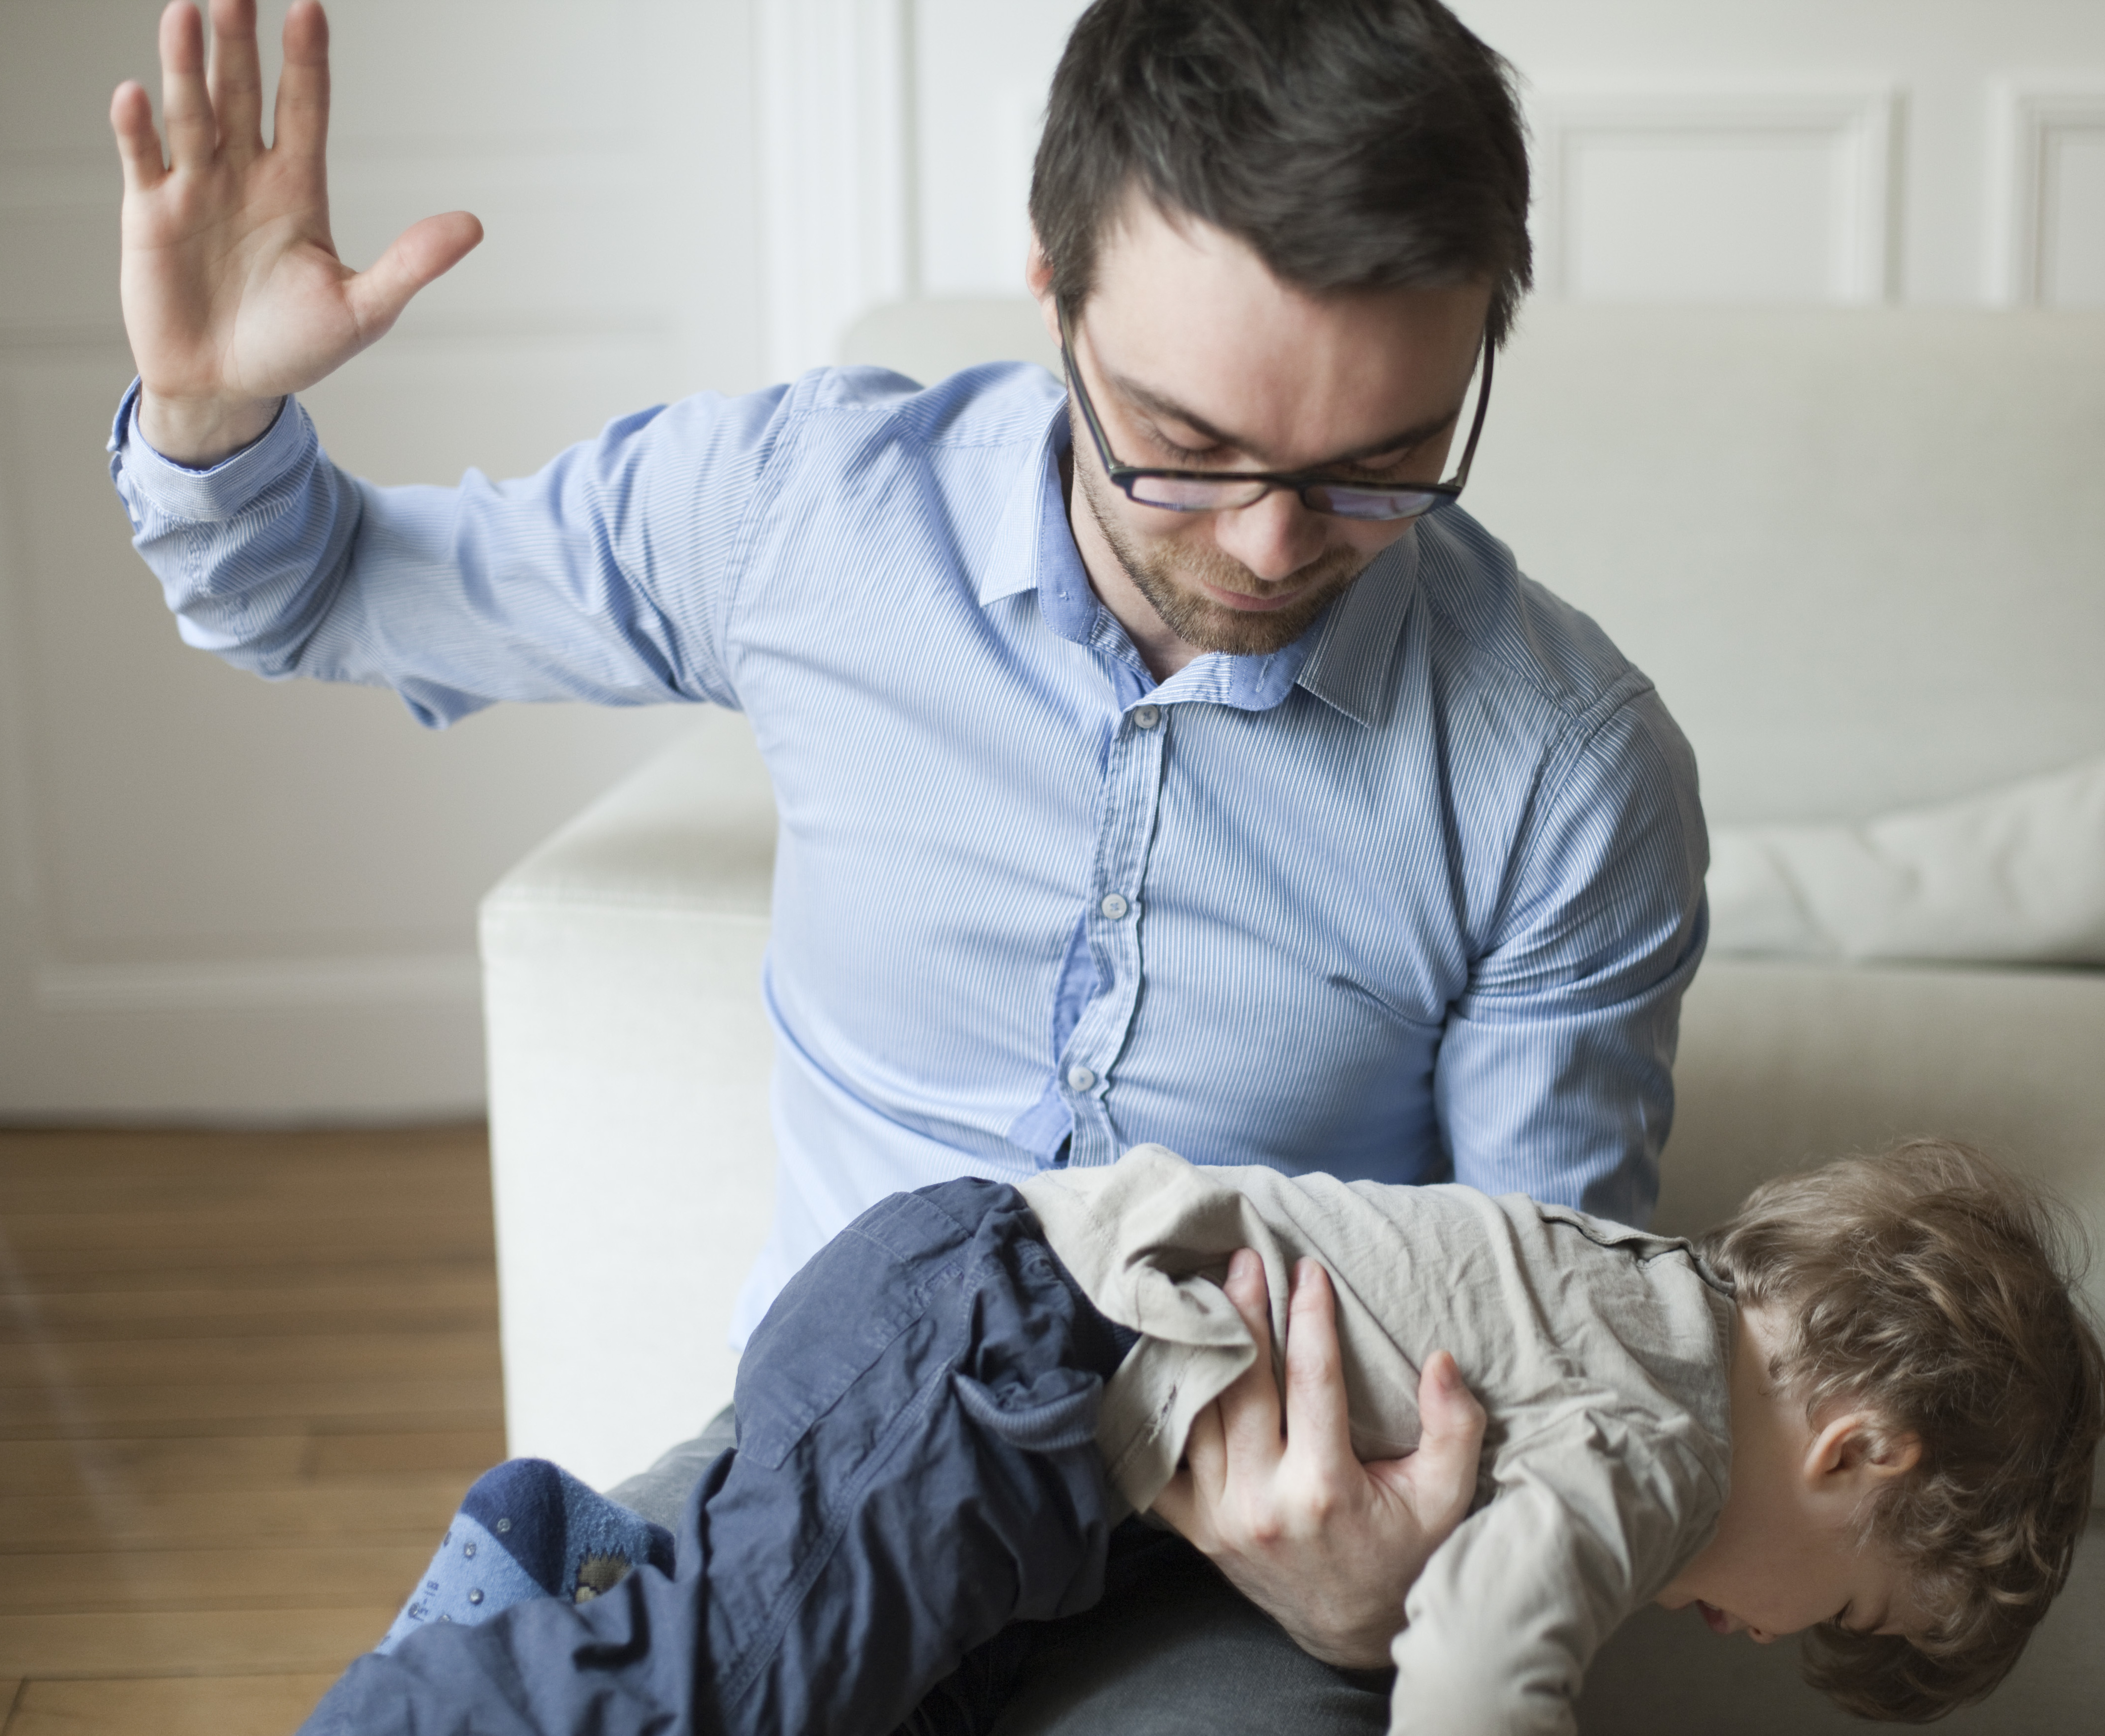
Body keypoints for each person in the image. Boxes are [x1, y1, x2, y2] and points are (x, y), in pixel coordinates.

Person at [105, 0, 1708, 1725]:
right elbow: (318, 590)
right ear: (1052, 283)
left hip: (1239, 1578)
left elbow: (1557, 1336)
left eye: (1376, 468)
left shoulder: (1571, 771)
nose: (1266, 543)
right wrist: (211, 415)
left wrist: (1381, 1593)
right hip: (823, 1467)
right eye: (1184, 446)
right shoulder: (804, 513)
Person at [297, 1139, 2105, 1736]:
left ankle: (563, 1566)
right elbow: (1483, 1660)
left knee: (870, 1703)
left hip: (1007, 1400)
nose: (1757, 1632)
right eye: (1842, 1611)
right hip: (998, 1354)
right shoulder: (1664, 1433)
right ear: (1861, 1450)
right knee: (729, 1692)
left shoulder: (1643, 1296)